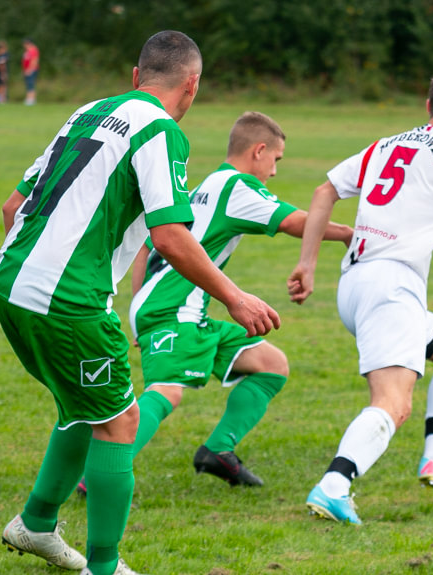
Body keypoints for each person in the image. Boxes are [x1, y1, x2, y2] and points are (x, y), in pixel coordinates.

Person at [0, 31, 279, 575]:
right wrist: (235, 297)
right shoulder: (162, 132)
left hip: (9, 281)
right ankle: (104, 567)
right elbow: (169, 235)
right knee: (119, 422)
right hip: (68, 298)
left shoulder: (88, 111)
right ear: (191, 84)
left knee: (84, 408)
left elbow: (13, 206)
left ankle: (35, 523)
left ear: (135, 76)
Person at [287, 68, 433, 525]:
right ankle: (334, 486)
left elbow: (324, 191)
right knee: (393, 404)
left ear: (428, 106)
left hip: (356, 284)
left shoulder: (386, 144)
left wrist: (308, 264)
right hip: (390, 289)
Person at [75, 111, 352, 495]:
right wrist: (351, 234)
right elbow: (294, 222)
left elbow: (146, 243)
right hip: (174, 307)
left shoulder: (207, 184)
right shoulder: (237, 187)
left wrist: (139, 301)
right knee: (167, 389)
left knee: (271, 365)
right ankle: (100, 474)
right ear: (259, 151)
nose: (274, 172)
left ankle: (218, 451)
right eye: (276, 160)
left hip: (177, 306)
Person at [22, 38, 40, 105]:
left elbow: (34, 60)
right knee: (28, 84)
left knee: (31, 84)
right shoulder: (28, 51)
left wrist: (30, 69)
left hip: (31, 70)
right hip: (27, 70)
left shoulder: (33, 50)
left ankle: (31, 99)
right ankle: (28, 98)